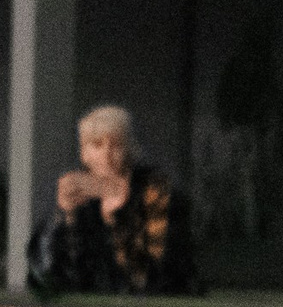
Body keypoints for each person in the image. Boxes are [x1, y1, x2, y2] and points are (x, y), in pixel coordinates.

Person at [27, 105, 196, 297]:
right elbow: (45, 279)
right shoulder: (79, 196)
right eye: (97, 145)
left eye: (116, 145)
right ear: (84, 154)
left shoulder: (156, 193)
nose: (106, 155)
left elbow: (154, 279)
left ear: (130, 150)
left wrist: (115, 219)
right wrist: (65, 215)